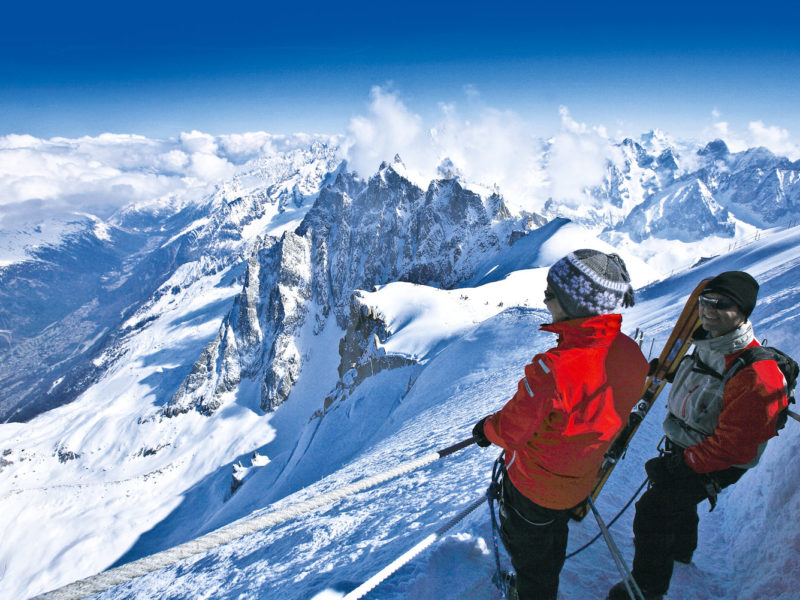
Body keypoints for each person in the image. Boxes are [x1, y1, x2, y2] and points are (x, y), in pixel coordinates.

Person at [472, 249, 649, 600]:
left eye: (551, 293)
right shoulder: (632, 354)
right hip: (579, 481)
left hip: (533, 486)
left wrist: (484, 429)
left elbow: (510, 430)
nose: (544, 298)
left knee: (530, 554)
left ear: (574, 303)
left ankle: (530, 591)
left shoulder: (553, 368)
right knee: (552, 539)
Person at [607, 271, 790, 600]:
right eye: (706, 301)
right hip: (692, 442)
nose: (709, 309)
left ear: (744, 312)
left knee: (654, 509)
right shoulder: (709, 345)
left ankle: (645, 589)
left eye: (722, 304)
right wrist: (671, 373)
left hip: (718, 457)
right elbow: (709, 382)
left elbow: (733, 449)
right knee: (674, 496)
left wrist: (685, 463)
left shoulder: (757, 376)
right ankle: (680, 550)